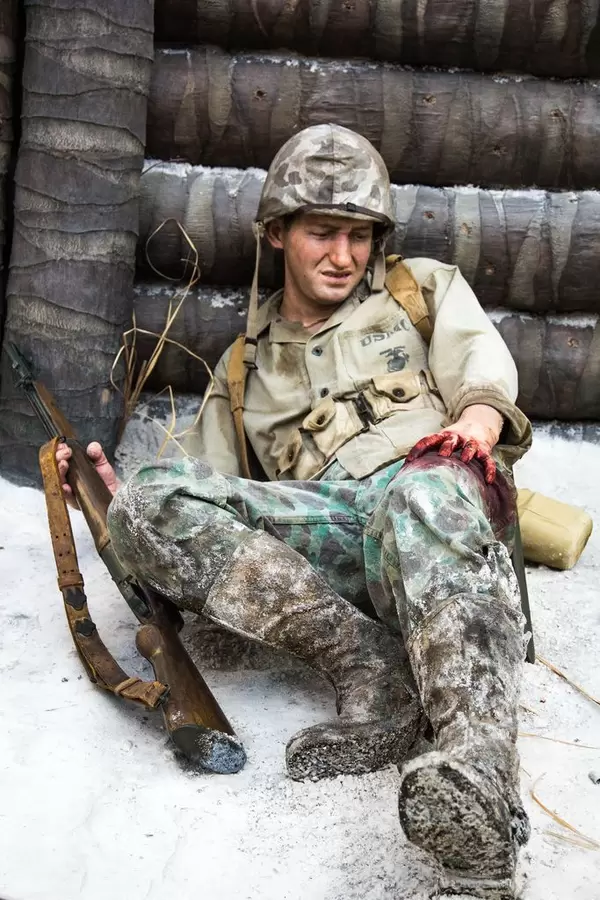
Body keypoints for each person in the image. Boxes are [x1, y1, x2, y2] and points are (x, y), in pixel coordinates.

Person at [57, 124, 532, 898]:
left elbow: (481, 365)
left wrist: (473, 425)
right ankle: (366, 661)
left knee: (421, 492)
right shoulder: (242, 371)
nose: (344, 255)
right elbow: (203, 514)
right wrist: (121, 507)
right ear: (277, 234)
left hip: (437, 498)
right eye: (323, 233)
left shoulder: (421, 291)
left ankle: (479, 777)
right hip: (338, 537)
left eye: (359, 236)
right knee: (150, 501)